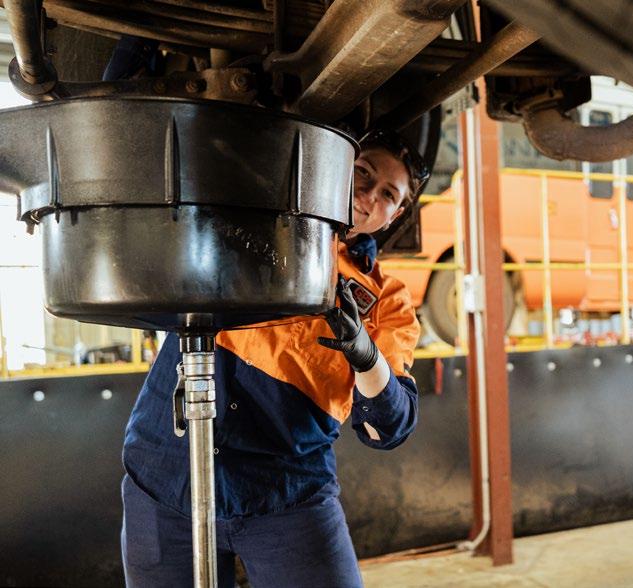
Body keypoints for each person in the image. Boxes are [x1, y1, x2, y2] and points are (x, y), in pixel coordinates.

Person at [120, 129, 429, 587]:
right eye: (363, 172)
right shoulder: (250, 222)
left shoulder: (388, 300)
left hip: (287, 495)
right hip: (165, 478)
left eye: (388, 194)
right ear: (335, 165)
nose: (368, 195)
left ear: (396, 214)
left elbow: (389, 427)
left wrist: (365, 355)